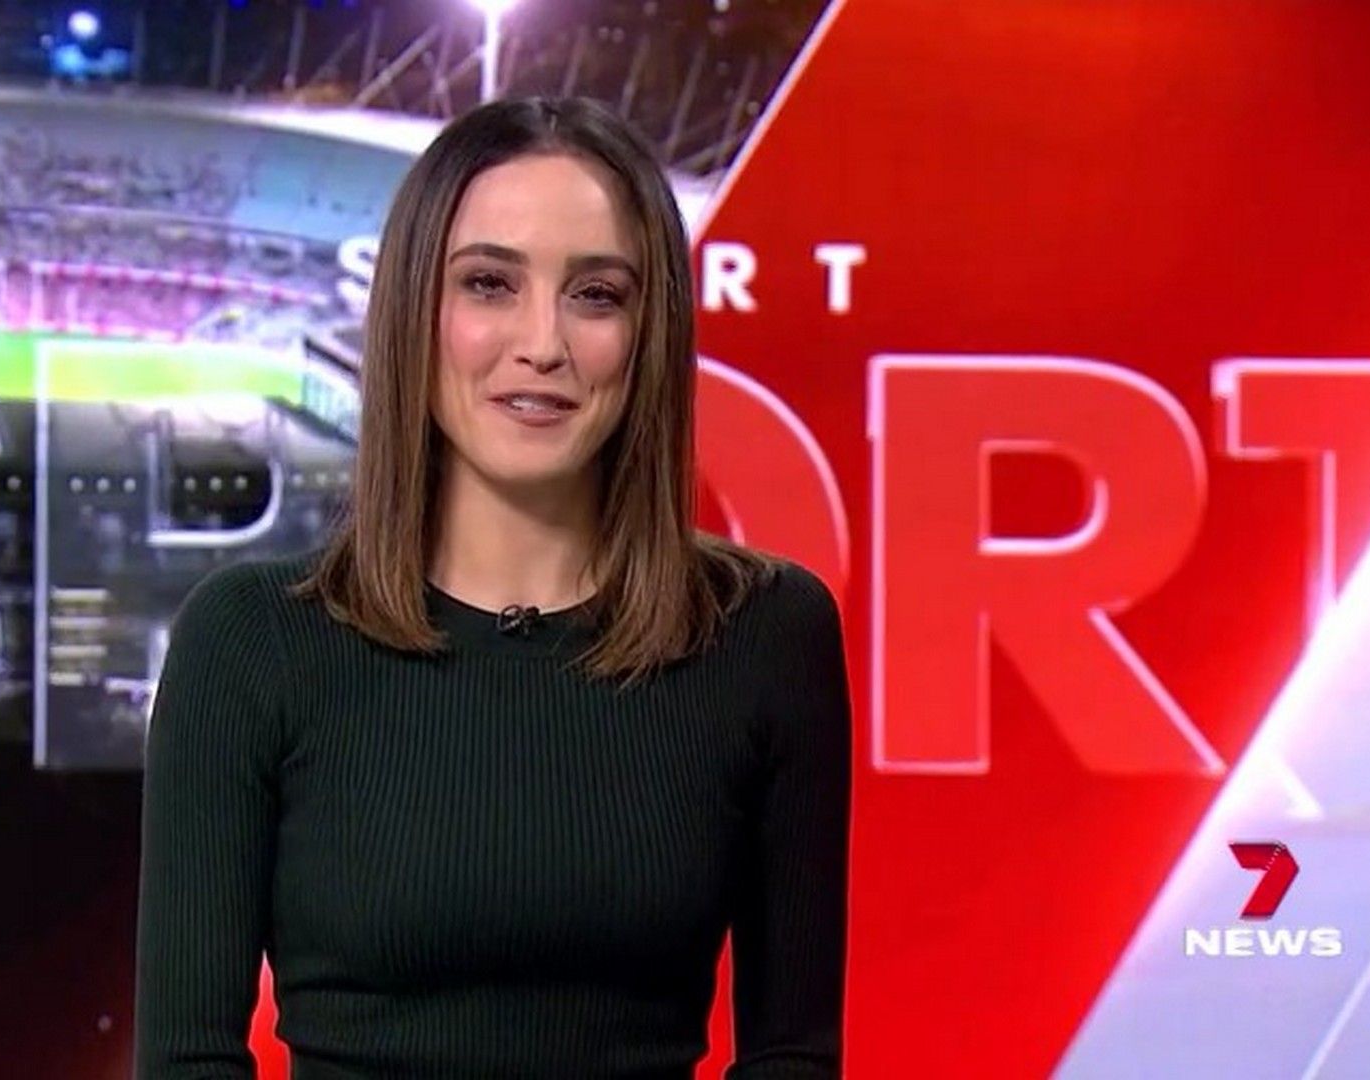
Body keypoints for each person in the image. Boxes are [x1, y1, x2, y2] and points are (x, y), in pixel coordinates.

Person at [135, 95, 852, 1079]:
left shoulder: (766, 634)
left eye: (596, 294)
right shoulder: (252, 640)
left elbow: (792, 1057)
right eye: (489, 284)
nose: (542, 343)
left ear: (648, 333)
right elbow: (188, 1060)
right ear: (415, 311)